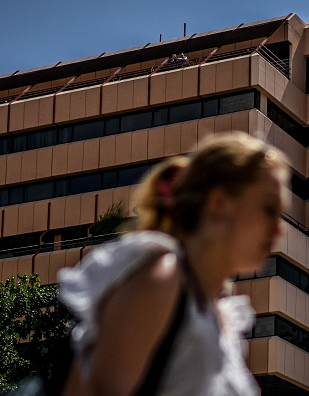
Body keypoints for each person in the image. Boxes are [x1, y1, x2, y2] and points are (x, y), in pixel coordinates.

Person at [58, 132, 290, 396]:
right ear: (219, 203)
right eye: (269, 209)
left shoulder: (217, 316)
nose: (279, 229)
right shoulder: (161, 278)